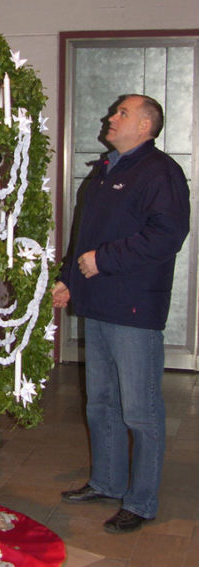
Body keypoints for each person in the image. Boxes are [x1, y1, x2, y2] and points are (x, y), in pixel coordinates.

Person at [52, 94, 190, 533]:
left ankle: (142, 500)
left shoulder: (160, 172)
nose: (110, 117)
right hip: (99, 305)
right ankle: (106, 482)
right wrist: (69, 278)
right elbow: (85, 237)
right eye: (114, 111)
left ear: (146, 126)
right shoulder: (105, 171)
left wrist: (104, 260)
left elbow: (167, 235)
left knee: (141, 411)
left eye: (122, 113)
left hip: (133, 309)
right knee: (102, 404)